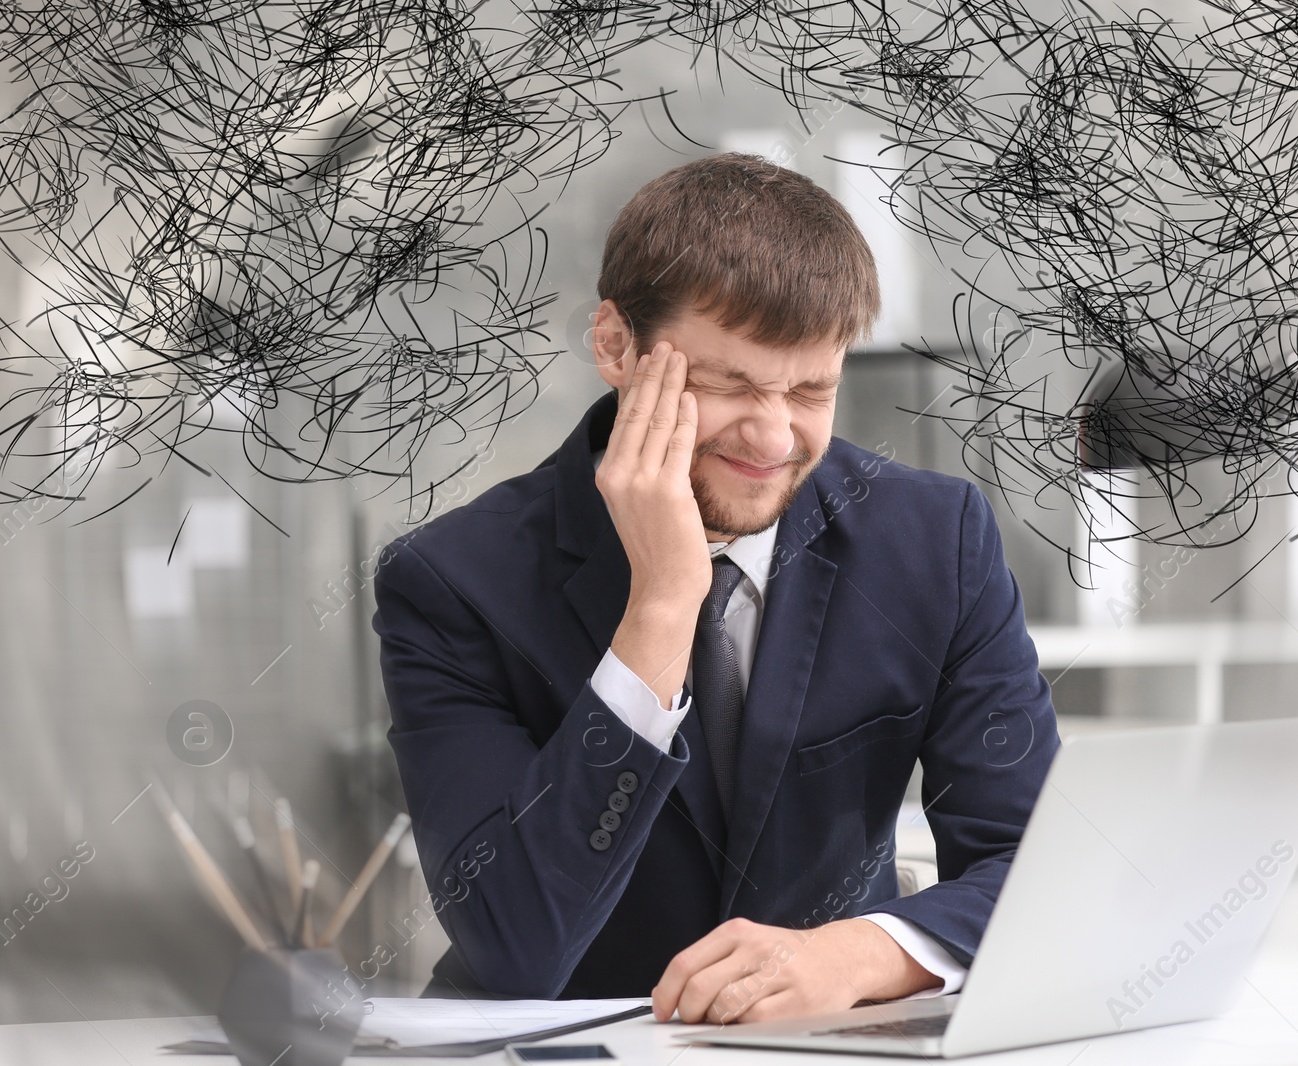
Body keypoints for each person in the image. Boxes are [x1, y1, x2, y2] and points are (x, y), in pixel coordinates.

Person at [372, 152, 1059, 1025]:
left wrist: (858, 952)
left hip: (827, 1042)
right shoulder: (453, 581)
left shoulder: (934, 542)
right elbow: (513, 943)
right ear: (616, 345)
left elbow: (1035, 865)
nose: (772, 437)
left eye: (812, 390)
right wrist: (660, 607)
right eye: (728, 383)